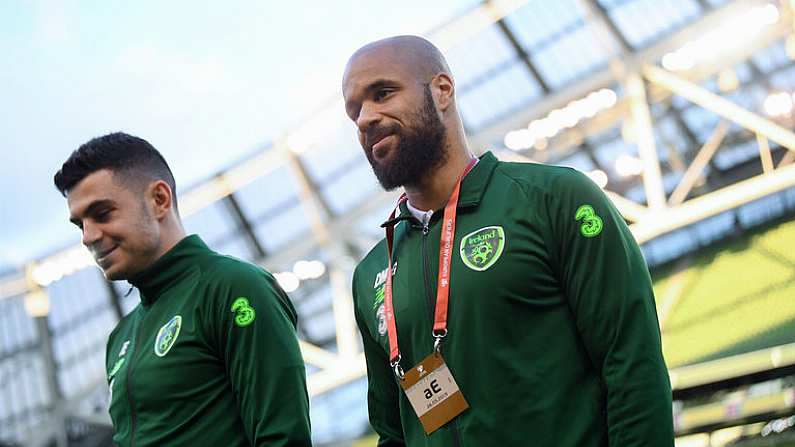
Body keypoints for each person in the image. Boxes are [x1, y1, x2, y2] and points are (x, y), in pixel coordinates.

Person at [343, 36, 673, 446]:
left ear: (442, 91)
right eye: (354, 110)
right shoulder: (373, 272)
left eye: (383, 93)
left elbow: (632, 365)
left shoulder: (553, 199)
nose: (364, 118)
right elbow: (394, 432)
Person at [53, 132, 312, 446]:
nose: (88, 236)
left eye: (102, 214)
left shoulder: (234, 287)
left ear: (159, 200)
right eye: (80, 224)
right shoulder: (121, 337)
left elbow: (283, 439)